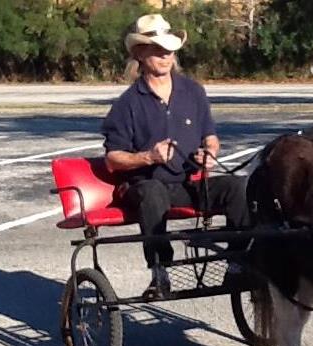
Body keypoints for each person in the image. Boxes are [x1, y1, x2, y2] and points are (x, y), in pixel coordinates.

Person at [101, 14, 250, 299]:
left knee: (238, 186)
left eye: (169, 49)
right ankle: (159, 270)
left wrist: (210, 153)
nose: (166, 55)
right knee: (153, 191)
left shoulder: (193, 92)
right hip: (142, 187)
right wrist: (148, 157)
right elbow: (112, 159)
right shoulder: (127, 103)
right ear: (140, 54)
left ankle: (237, 263)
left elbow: (211, 137)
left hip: (186, 184)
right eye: (158, 50)